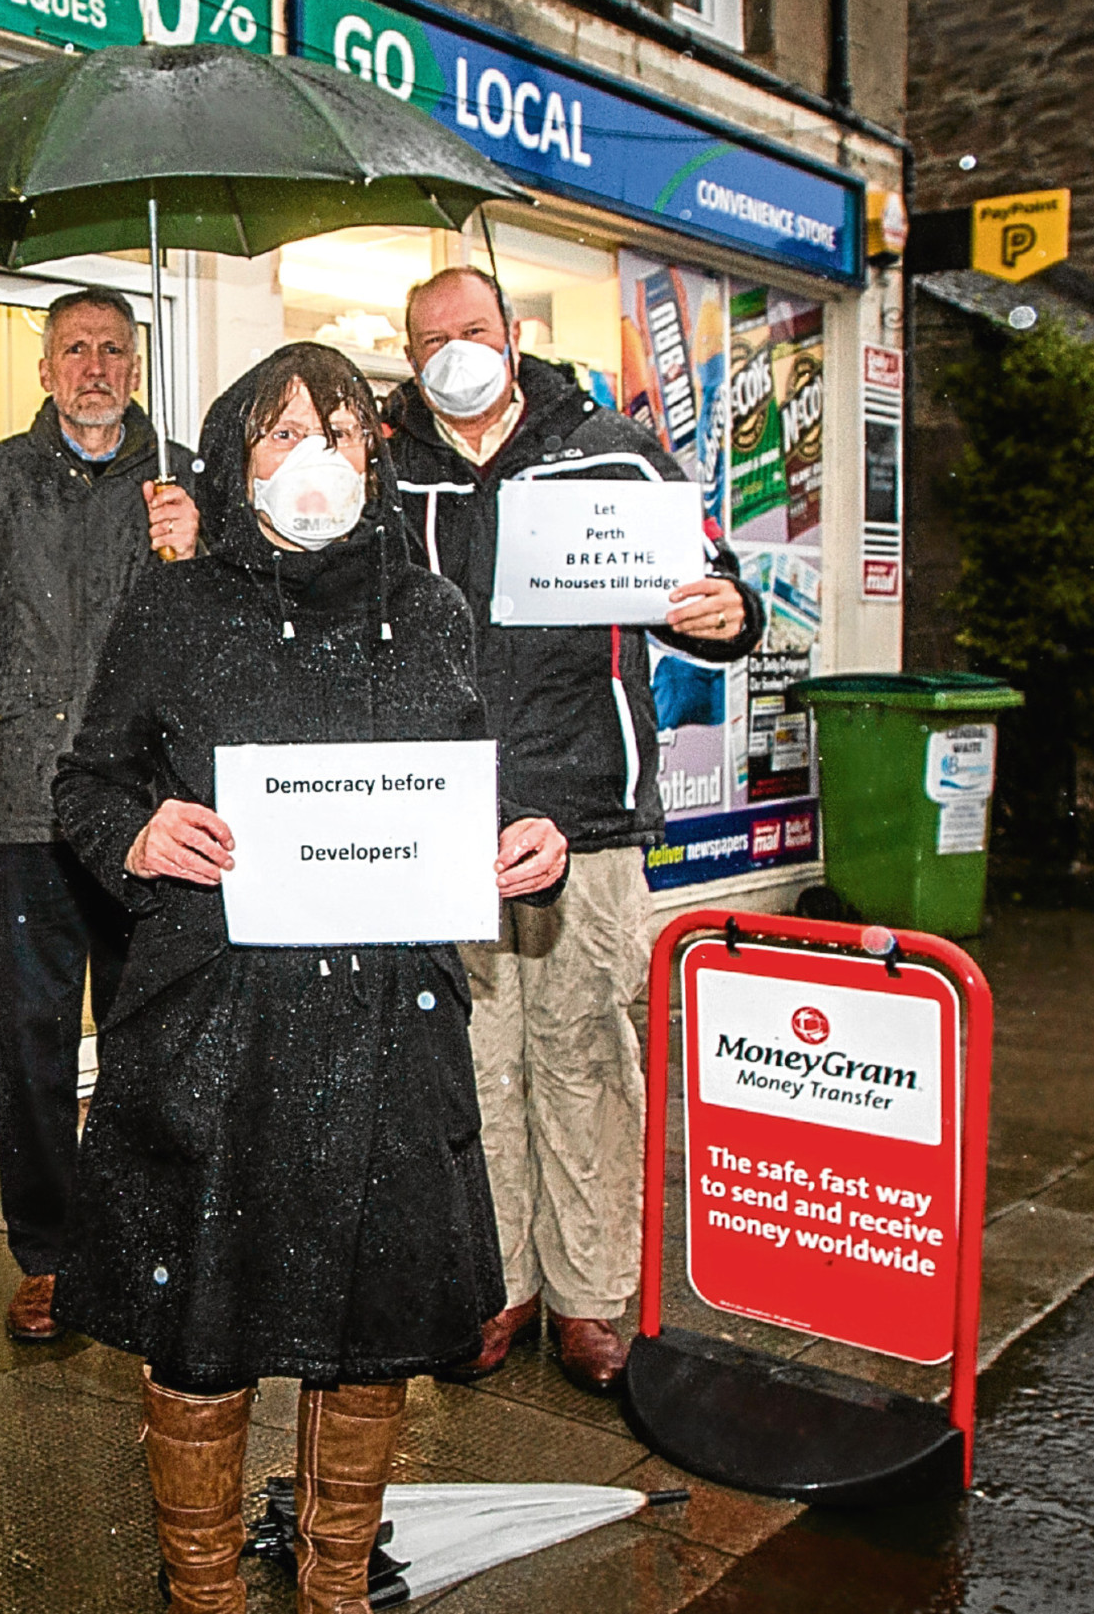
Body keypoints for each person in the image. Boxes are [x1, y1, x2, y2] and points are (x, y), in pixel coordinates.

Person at [53, 342, 571, 1614]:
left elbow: (478, 791)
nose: (314, 459)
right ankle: (207, 1589)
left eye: (340, 430)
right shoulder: (173, 606)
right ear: (236, 460)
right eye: (281, 434)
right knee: (205, 1318)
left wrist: (531, 843)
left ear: (373, 456)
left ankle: (340, 1580)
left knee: (374, 1314)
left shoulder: (436, 608)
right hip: (216, 1022)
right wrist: (133, 832)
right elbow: (85, 782)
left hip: (391, 1024)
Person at [379, 266, 763, 1392]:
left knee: (587, 1056)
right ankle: (499, 1285)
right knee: (476, 1067)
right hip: (445, 816)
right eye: (431, 338)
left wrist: (727, 610)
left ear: (515, 334)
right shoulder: (386, 466)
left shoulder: (610, 445)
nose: (455, 351)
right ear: (410, 355)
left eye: (474, 330)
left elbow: (711, 584)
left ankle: (593, 1297)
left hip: (587, 811)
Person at [0, 288, 200, 1343]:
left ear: (135, 366)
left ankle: (135, 1237)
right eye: (74, 349)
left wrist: (203, 542)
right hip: (25, 813)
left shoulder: (182, 488)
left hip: (148, 816)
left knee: (148, 1040)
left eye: (113, 350)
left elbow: (229, 637)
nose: (94, 366)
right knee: (32, 1045)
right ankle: (45, 1253)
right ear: (43, 367)